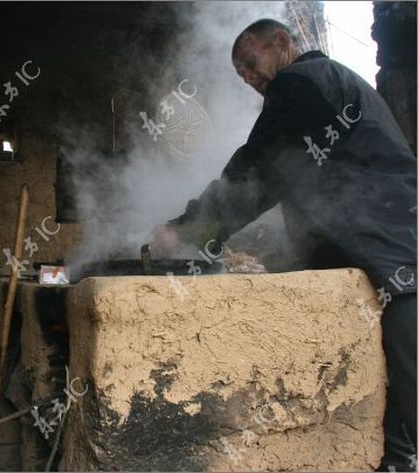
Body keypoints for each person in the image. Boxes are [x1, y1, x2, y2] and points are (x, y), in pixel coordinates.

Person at [152, 19, 416, 471]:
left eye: (251, 65)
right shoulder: (330, 82)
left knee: (407, 321)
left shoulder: (302, 83)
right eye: (241, 75)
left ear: (282, 43)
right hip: (391, 226)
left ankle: (405, 457)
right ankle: (401, 455)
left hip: (386, 234)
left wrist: (189, 228)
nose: (249, 79)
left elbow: (259, 170)